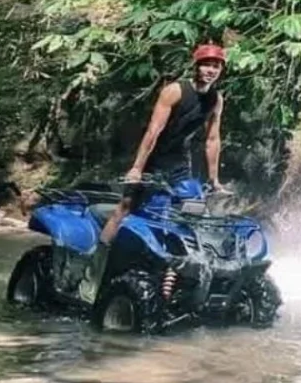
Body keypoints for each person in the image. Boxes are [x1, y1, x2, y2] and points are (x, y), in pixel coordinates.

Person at [77, 42, 227, 304]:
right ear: (196, 66)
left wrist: (214, 180)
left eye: (216, 66)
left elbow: (212, 140)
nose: (210, 70)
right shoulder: (174, 91)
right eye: (206, 64)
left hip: (180, 164)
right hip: (154, 159)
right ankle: (92, 277)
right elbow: (153, 131)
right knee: (124, 208)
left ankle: (180, 283)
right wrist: (137, 168)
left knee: (191, 214)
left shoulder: (216, 100)